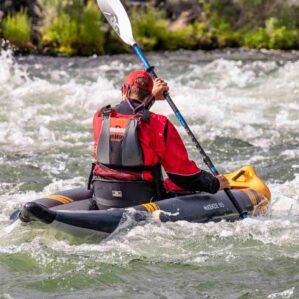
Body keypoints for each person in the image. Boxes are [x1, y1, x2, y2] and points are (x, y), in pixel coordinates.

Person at [91, 70, 230, 209]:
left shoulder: (100, 115)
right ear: (148, 94)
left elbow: (128, 113)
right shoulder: (159, 123)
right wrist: (214, 183)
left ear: (124, 89)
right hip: (143, 201)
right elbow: (182, 174)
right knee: (174, 183)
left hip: (102, 197)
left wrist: (151, 97)